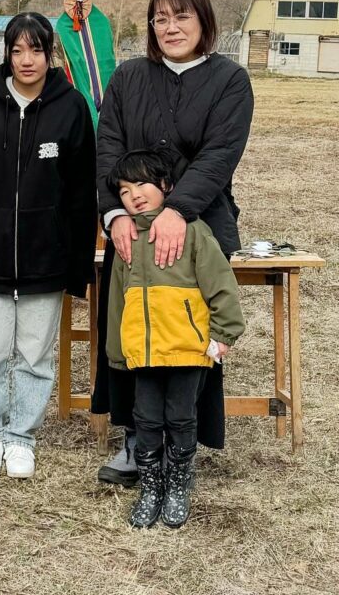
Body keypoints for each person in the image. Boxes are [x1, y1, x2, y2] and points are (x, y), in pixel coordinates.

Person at [93, 0, 254, 486]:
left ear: (204, 21)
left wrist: (177, 210)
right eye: (160, 18)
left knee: (186, 334)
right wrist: (114, 214)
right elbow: (108, 149)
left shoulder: (230, 80)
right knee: (129, 327)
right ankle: (136, 439)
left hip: (200, 225)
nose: (170, 27)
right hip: (130, 230)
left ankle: (182, 445)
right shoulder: (128, 77)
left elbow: (219, 155)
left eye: (181, 16)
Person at [0, 12, 97, 479]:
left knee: (36, 356)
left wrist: (77, 263)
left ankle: (21, 436)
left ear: (49, 53)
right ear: (6, 53)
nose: (26, 59)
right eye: (16, 50)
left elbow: (81, 194)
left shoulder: (71, 107)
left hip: (46, 257)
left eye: (35, 49)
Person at [106, 148, 244, 528]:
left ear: (166, 185)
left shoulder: (195, 232)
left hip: (187, 350)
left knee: (181, 417)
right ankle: (152, 486)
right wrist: (118, 351)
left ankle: (179, 483)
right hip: (145, 353)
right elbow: (118, 301)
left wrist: (224, 334)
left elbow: (220, 286)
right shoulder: (125, 241)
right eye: (123, 191)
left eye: (142, 183)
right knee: (146, 418)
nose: (133, 194)